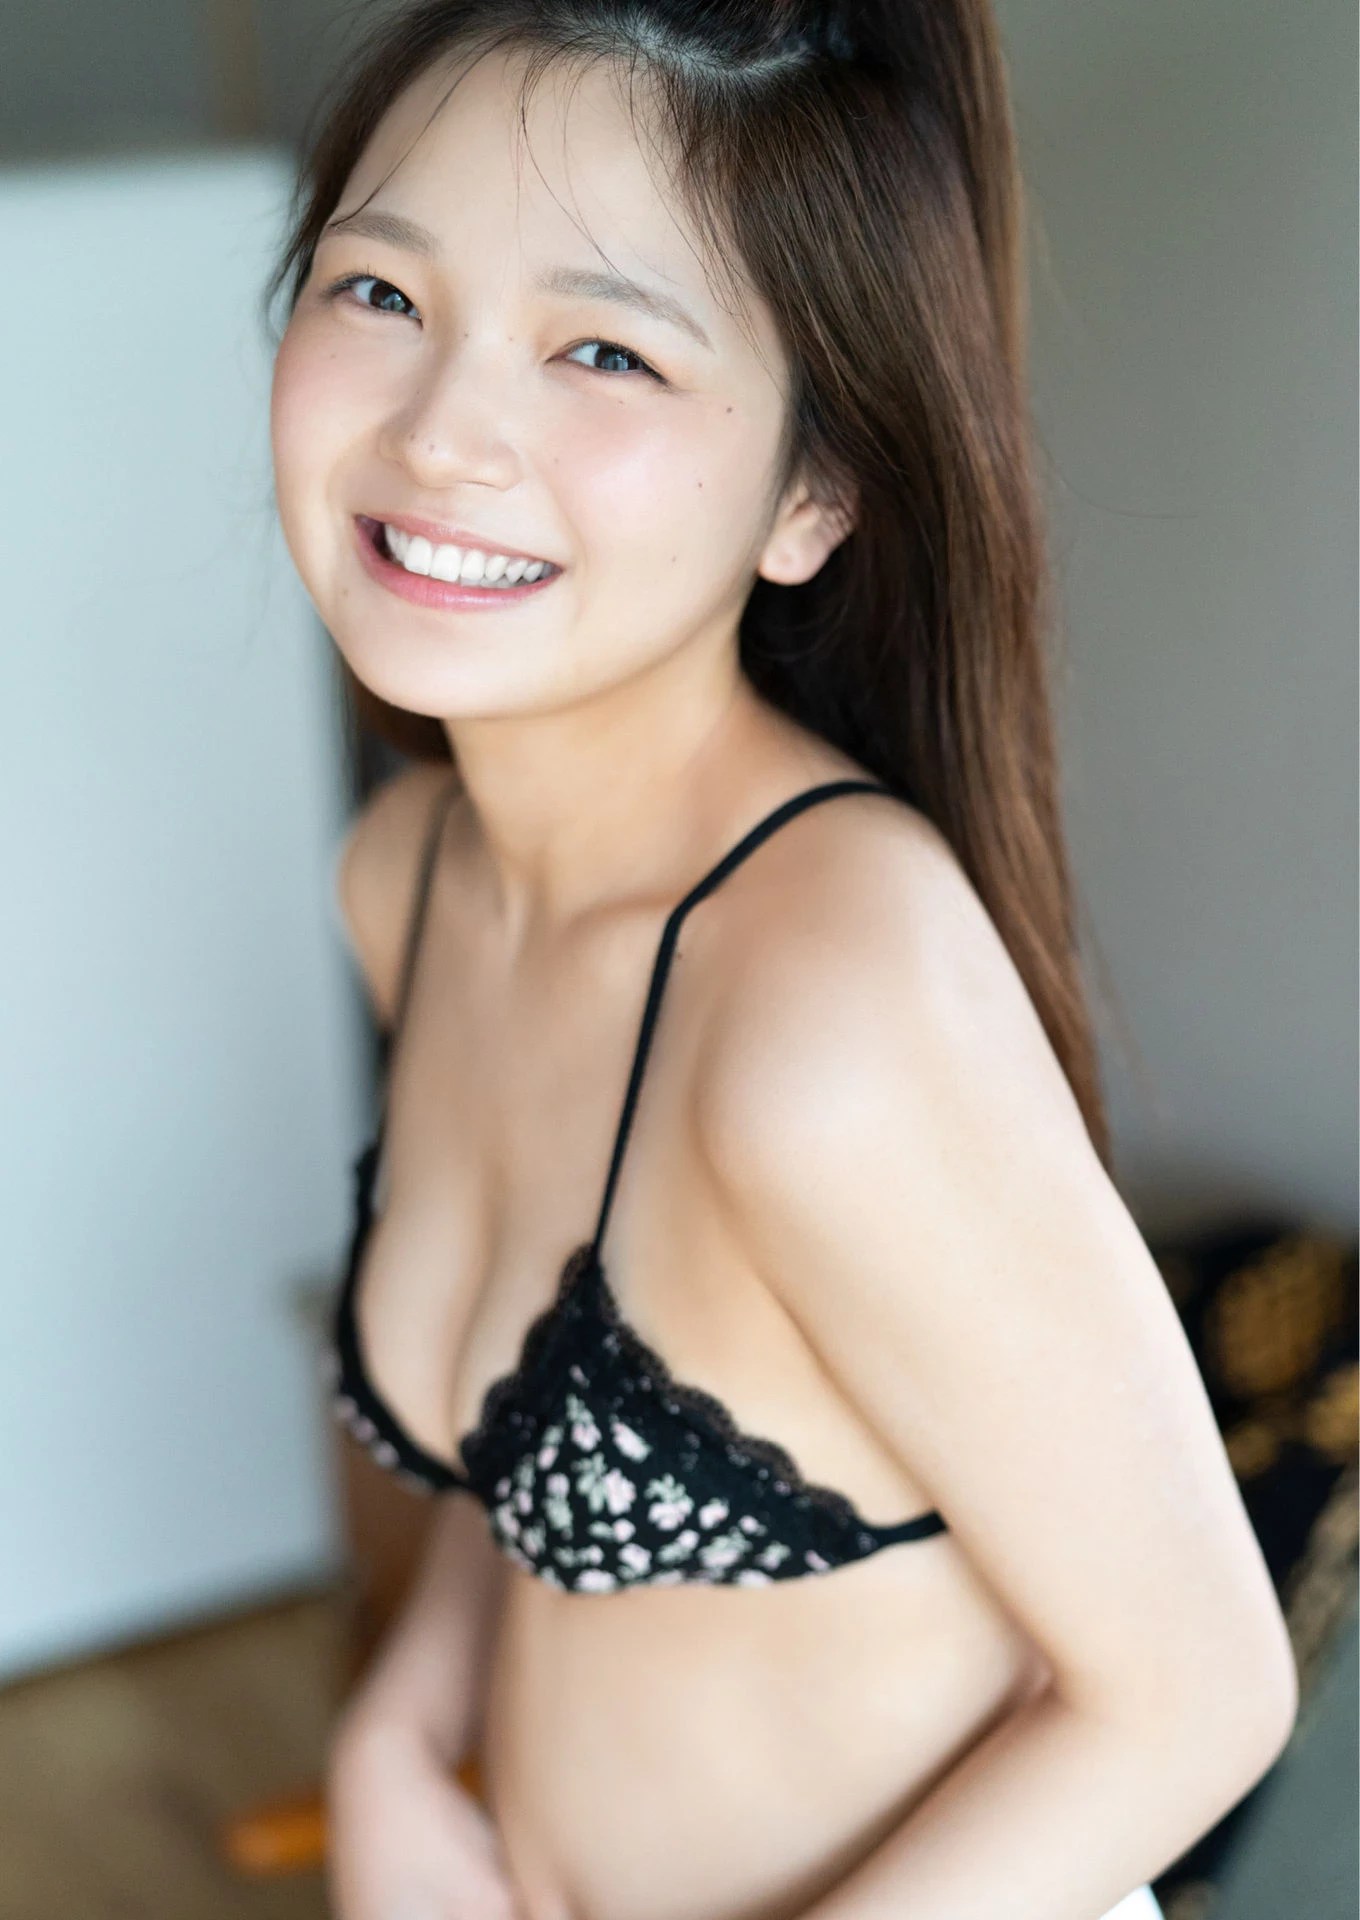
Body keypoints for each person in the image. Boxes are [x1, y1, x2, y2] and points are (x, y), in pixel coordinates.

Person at [265, 5, 1297, 1917]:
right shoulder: (406, 879)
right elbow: (524, 1438)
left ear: (814, 491)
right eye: (380, 292)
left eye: (603, 348)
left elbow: (1200, 1693)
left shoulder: (830, 999)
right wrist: (399, 1738)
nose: (441, 433)